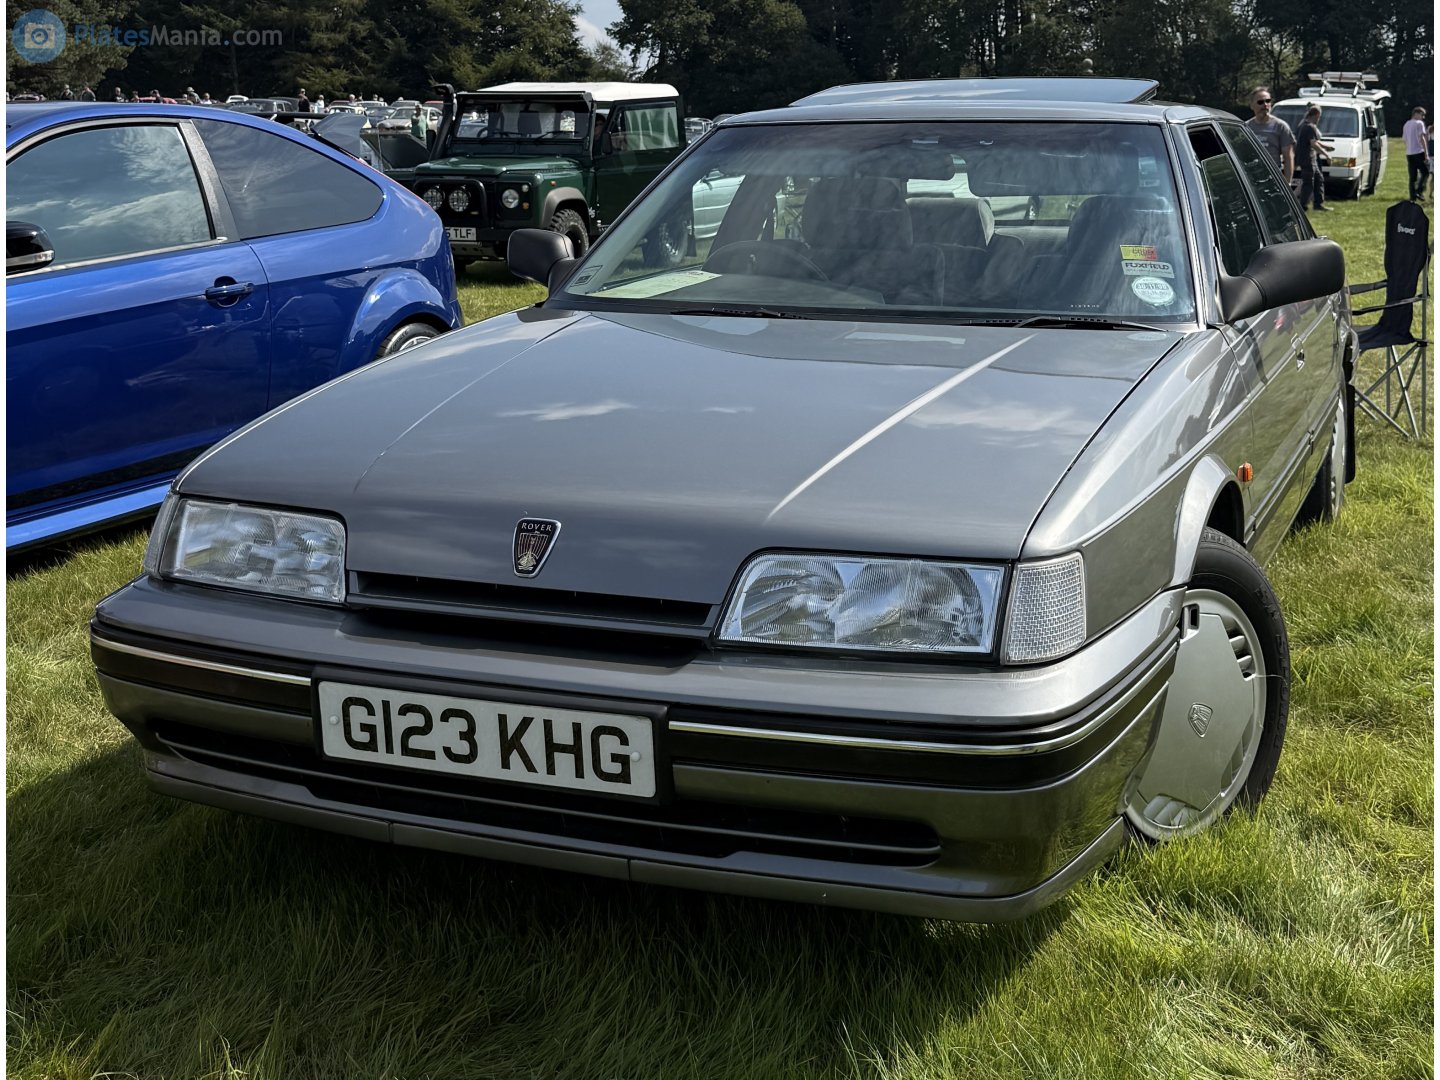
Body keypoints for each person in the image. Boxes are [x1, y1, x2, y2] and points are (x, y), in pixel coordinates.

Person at [1245, 86, 1294, 184]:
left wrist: (1287, 183)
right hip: (1251, 178)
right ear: (1251, 105)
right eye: (1260, 102)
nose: (1265, 105)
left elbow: (1288, 156)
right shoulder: (1246, 127)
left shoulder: (1281, 126)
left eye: (1268, 101)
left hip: (1273, 178)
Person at [1295, 105, 1332, 212]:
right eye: (1319, 117)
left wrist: (1326, 147)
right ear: (1316, 115)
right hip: (1308, 159)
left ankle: (1318, 204)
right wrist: (1327, 154)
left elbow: (1314, 141)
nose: (1318, 119)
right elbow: (1313, 144)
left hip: (1309, 159)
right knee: (1308, 183)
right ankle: (1302, 206)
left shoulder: (1302, 125)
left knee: (1318, 180)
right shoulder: (1309, 126)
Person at [1403, 106, 1430, 200]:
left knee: (1412, 176)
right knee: (1425, 172)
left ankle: (1412, 196)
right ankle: (1419, 190)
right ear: (1416, 114)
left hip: (1409, 153)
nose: (1423, 117)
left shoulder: (1406, 124)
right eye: (1422, 115)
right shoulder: (1419, 123)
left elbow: (1405, 139)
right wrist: (1426, 153)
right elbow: (1422, 138)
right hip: (1418, 151)